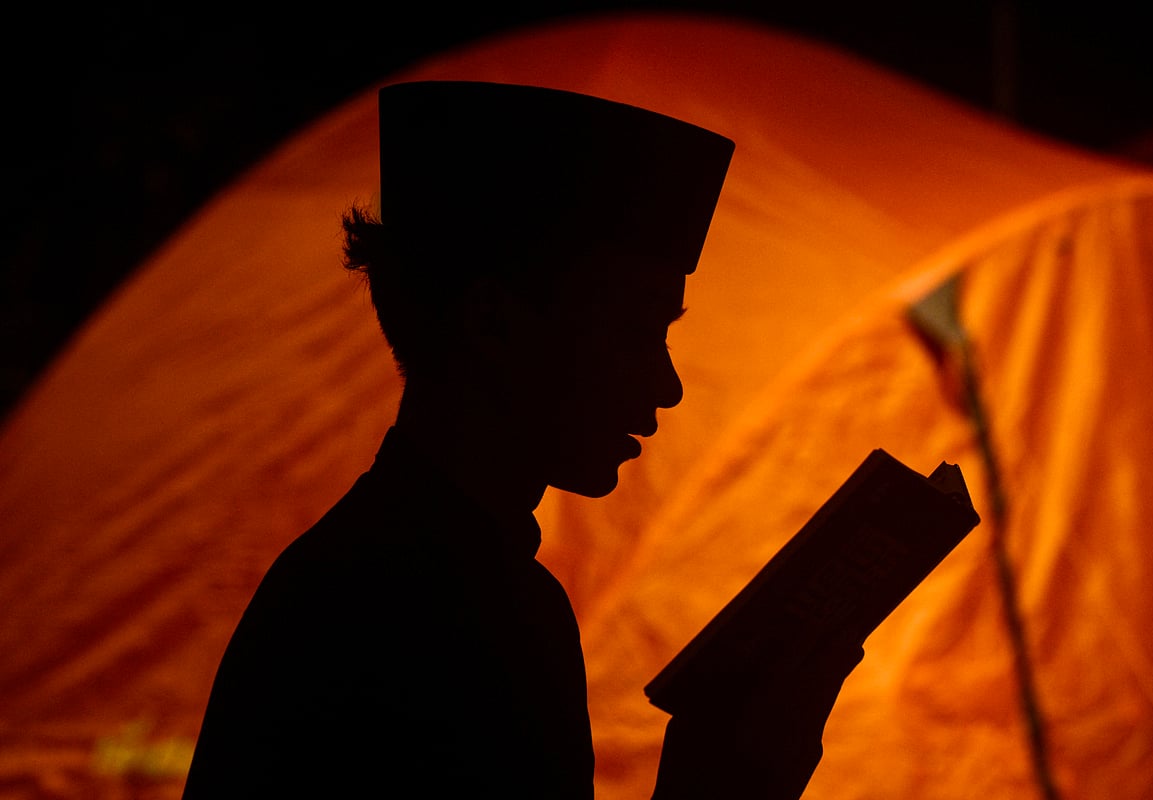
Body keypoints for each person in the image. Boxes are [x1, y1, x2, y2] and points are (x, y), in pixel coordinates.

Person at [182, 80, 863, 799]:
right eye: (636, 332)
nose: (668, 386)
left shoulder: (371, 577)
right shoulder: (441, 617)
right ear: (493, 323)